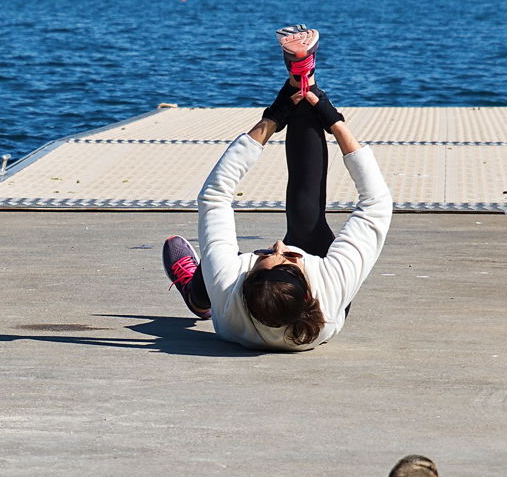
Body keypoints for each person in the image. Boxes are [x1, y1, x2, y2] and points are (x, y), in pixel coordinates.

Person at [162, 25, 393, 352]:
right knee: (306, 221)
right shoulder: (331, 286)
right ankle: (305, 79)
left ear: (243, 283)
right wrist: (333, 118)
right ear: (310, 290)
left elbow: (215, 196)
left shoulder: (229, 290)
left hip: (227, 294)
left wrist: (272, 117)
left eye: (266, 256)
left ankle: (198, 294)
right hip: (319, 297)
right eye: (287, 257)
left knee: (213, 274)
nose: (278, 244)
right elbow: (377, 204)